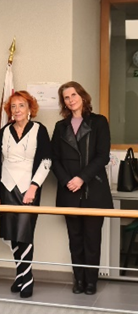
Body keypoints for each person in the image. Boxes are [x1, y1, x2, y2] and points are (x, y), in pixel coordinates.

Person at [51, 81, 113, 295]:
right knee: (75, 240)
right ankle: (78, 280)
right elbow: (54, 159)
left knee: (92, 240)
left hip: (93, 191)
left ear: (83, 96)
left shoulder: (99, 122)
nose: (71, 99)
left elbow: (102, 156)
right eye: (66, 97)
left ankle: (91, 282)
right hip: (69, 191)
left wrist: (81, 179)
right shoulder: (60, 127)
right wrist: (68, 181)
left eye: (74, 94)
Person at [0, 90, 51, 298]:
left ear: (30, 108)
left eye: (21, 105)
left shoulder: (39, 130)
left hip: (28, 188)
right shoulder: (5, 131)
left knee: (25, 233)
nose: (17, 110)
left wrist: (34, 187)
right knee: (12, 233)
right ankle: (20, 274)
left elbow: (46, 161)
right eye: (13, 106)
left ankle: (28, 278)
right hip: (6, 187)